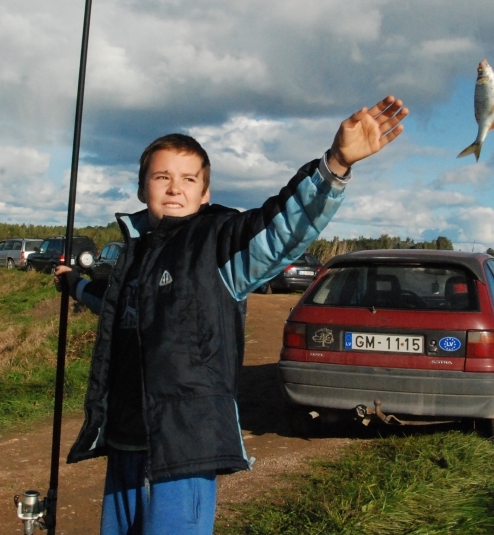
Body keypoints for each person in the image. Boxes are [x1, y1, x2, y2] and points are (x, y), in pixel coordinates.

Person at [55, 96, 407, 535]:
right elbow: (110, 303)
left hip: (184, 448)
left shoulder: (219, 245)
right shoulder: (134, 256)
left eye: (188, 179)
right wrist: (73, 283)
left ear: (206, 194)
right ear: (142, 187)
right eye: (161, 177)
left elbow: (281, 229)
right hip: (125, 441)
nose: (174, 187)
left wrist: (334, 164)